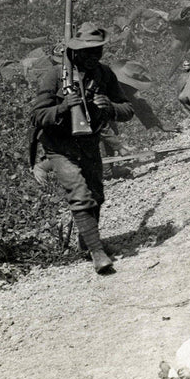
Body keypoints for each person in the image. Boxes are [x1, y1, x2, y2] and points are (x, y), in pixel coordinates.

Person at [30, 23, 134, 273]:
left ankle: (87, 242)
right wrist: (63, 108)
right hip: (59, 146)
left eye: (97, 52)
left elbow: (128, 110)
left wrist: (109, 107)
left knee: (97, 196)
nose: (93, 57)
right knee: (80, 195)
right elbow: (37, 116)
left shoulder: (104, 74)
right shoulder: (54, 76)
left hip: (89, 143)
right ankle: (98, 253)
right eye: (87, 52)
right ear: (75, 51)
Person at [100, 60, 175, 172]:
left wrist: (159, 124)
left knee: (110, 126)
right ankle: (105, 170)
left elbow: (136, 104)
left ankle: (107, 165)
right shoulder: (101, 88)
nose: (134, 89)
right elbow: (99, 123)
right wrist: (118, 146)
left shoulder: (121, 88)